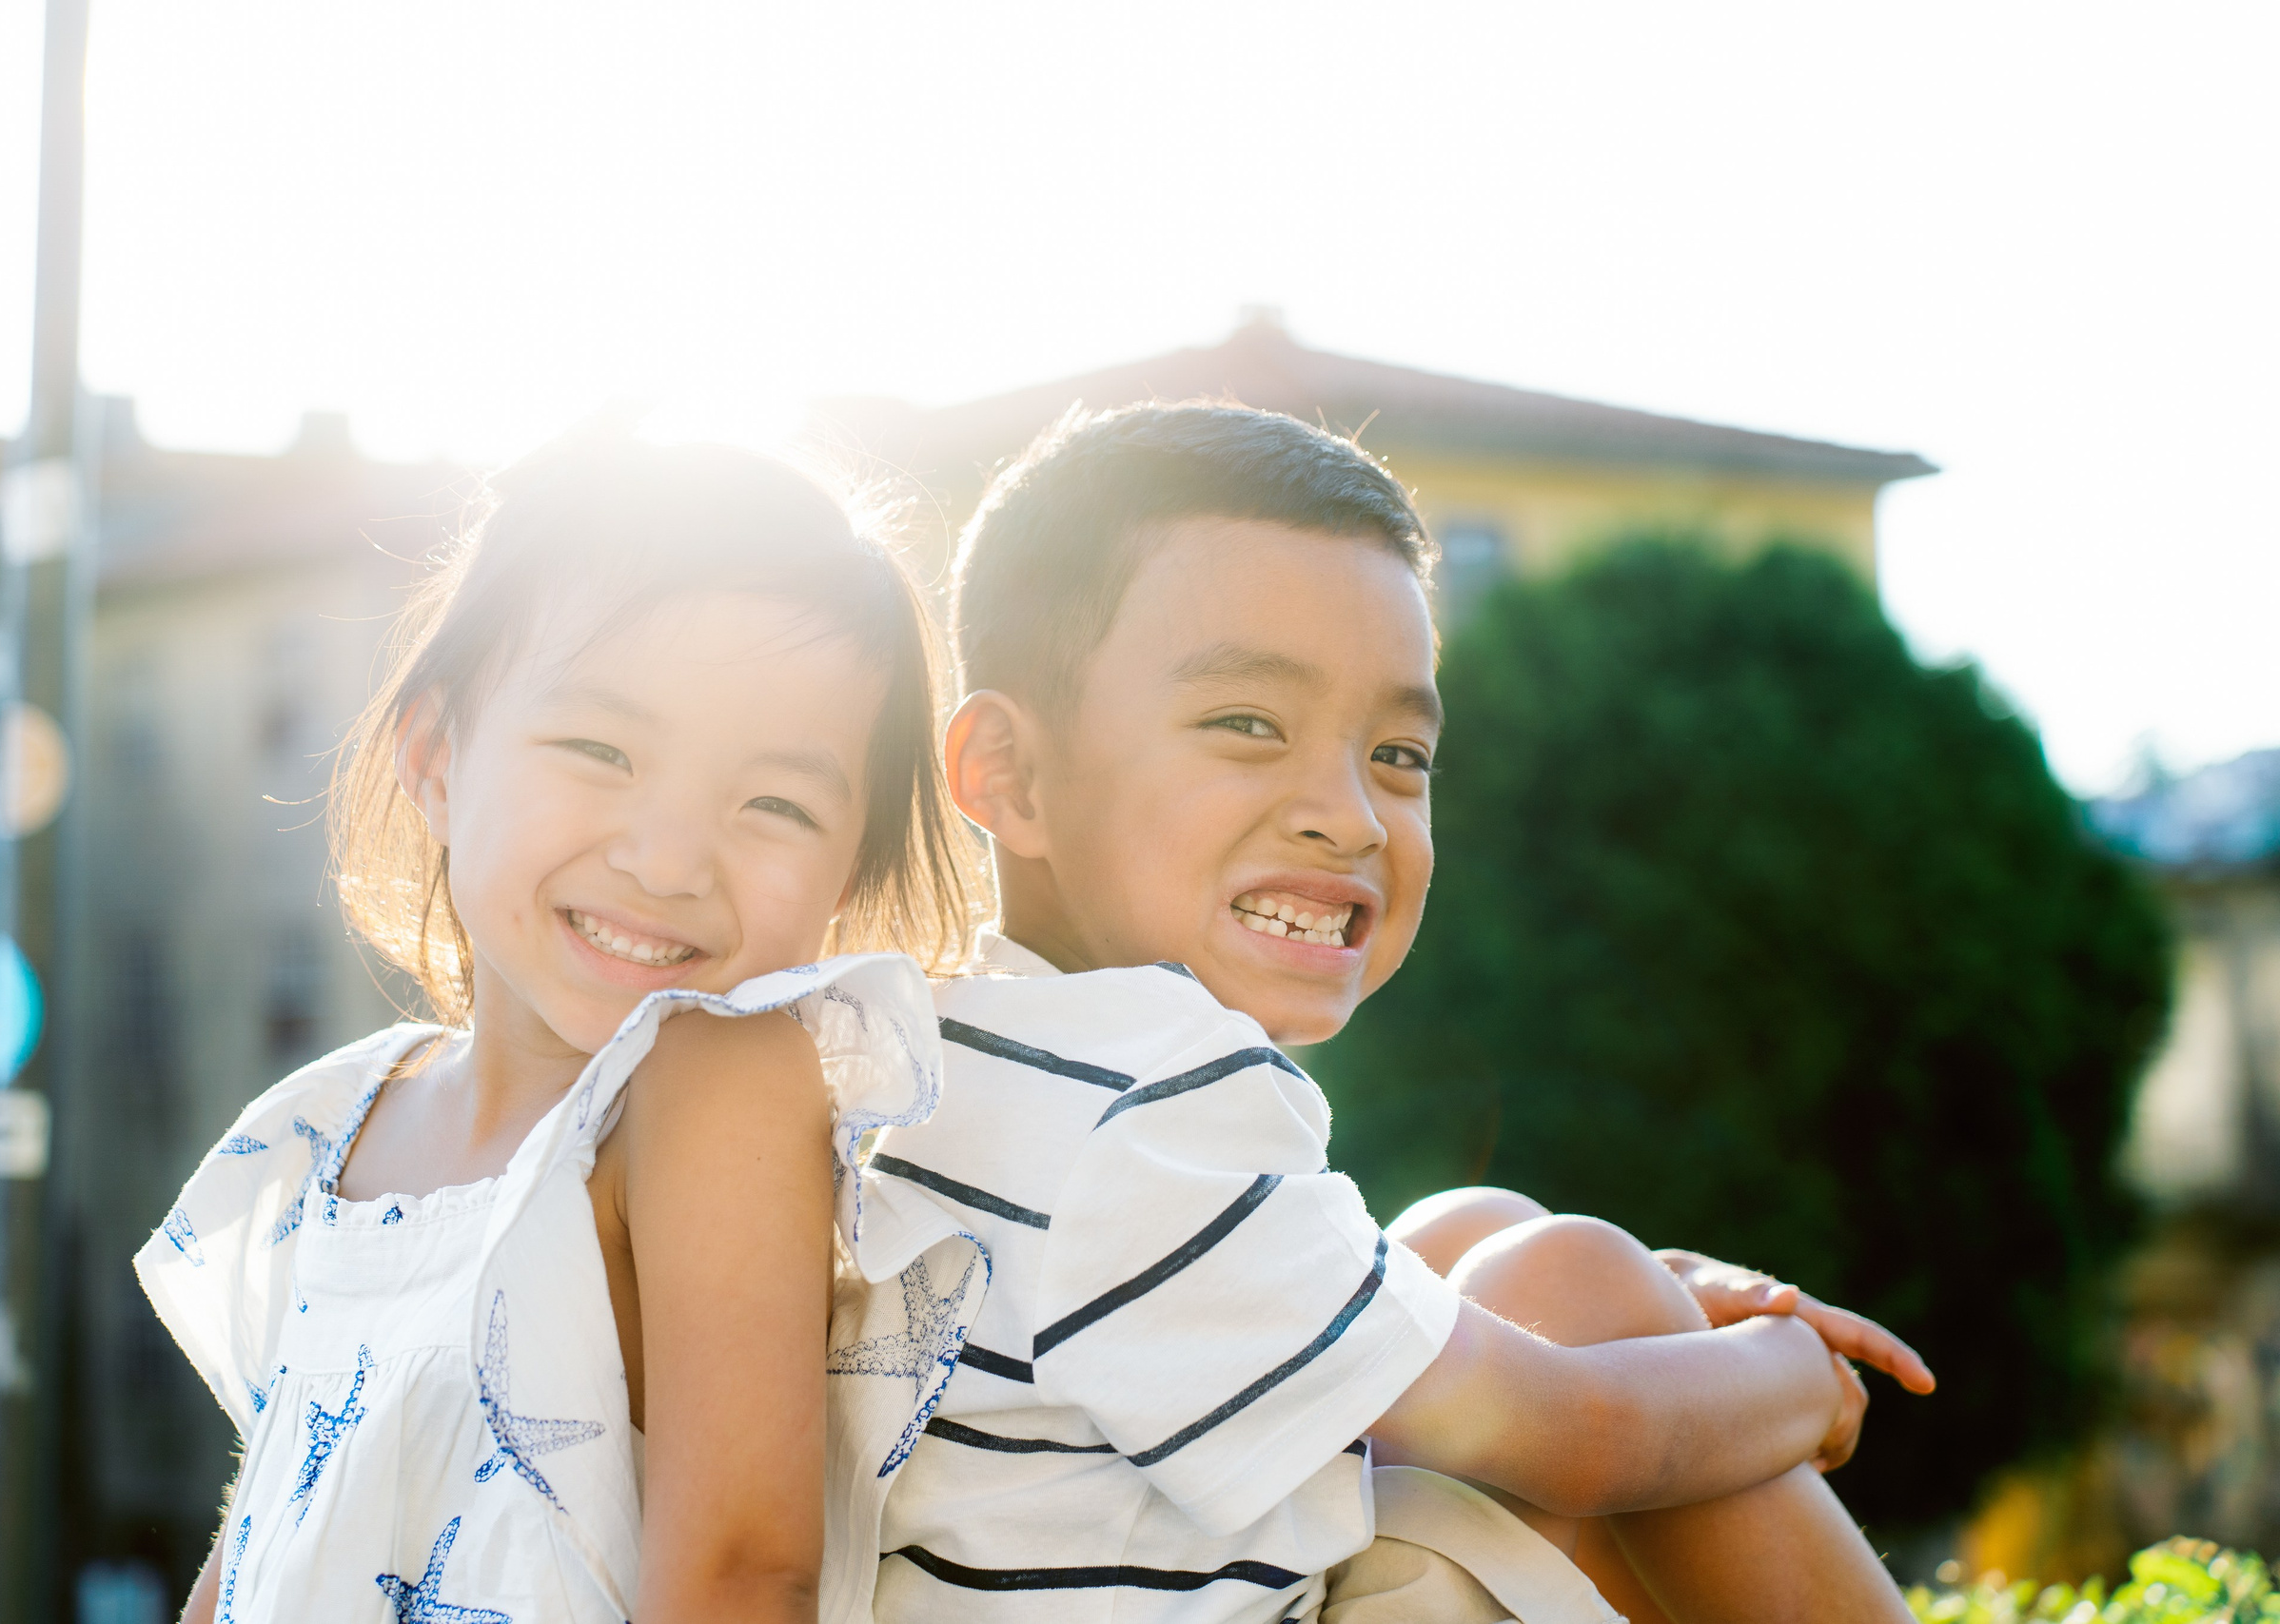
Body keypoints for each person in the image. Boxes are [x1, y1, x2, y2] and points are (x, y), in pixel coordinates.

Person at [854, 402, 1935, 1624]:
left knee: (1473, 1227)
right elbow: (1577, 1440)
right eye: (1248, 725)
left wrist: (1672, 1308)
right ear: (1007, 772)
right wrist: (1794, 1376)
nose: (1352, 817)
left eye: (1397, 756)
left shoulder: (974, 1065)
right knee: (1573, 1282)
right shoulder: (1141, 1119)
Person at [135, 439, 985, 1623]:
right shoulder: (334, 1120)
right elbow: (276, 1527)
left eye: (776, 804)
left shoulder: (712, 1080)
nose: (668, 859)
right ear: (435, 758)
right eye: (601, 751)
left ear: (850, 874)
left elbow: (745, 1568)